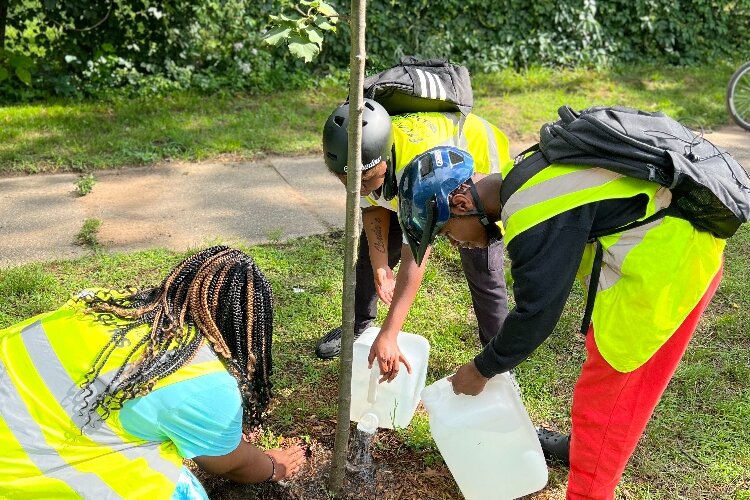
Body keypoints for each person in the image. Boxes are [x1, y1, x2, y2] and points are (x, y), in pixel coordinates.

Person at [396, 145, 725, 498]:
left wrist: (481, 369)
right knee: (601, 379)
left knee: (605, 404)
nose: (457, 242)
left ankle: (588, 488)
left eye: (447, 233)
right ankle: (581, 449)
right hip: (657, 254)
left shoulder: (530, 215)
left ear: (461, 204)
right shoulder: (520, 176)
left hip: (670, 270)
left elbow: (536, 316)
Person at [0, 246, 306, 499]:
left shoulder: (98, 306)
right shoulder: (203, 381)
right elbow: (229, 463)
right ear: (247, 328)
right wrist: (271, 466)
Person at [317, 98, 511, 379]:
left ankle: (499, 362)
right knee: (368, 260)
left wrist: (390, 333)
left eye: (366, 179)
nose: (357, 190)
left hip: (474, 173)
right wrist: (381, 266)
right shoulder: (361, 153)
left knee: (483, 269)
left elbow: (416, 257)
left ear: (383, 160)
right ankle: (359, 330)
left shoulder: (415, 164)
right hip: (405, 181)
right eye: (346, 182)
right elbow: (372, 207)